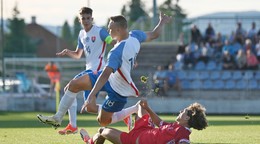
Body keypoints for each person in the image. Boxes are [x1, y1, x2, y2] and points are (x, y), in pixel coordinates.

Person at [37, 12, 172, 128]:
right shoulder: (135, 35)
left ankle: (134, 109)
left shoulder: (116, 52)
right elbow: (154, 34)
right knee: (73, 85)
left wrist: (91, 95)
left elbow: (105, 75)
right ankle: (58, 118)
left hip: (119, 89)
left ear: (119, 30)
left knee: (102, 122)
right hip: (109, 77)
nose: (108, 31)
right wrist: (162, 22)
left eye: (110, 28)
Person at [54, 7, 116, 135]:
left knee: (69, 88)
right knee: (90, 108)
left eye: (88, 18)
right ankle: (120, 114)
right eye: (83, 18)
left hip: (98, 72)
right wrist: (68, 52)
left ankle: (72, 125)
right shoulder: (81, 34)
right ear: (80, 20)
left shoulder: (100, 32)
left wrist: (122, 55)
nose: (86, 20)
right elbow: (78, 55)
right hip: (89, 70)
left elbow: (113, 42)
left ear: (92, 19)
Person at [80, 99, 208, 144]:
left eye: (183, 111)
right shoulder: (175, 126)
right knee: (140, 104)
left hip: (133, 140)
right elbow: (159, 122)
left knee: (102, 131)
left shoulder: (183, 132)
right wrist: (148, 108)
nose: (180, 111)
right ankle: (130, 121)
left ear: (187, 118)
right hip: (145, 129)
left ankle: (90, 142)